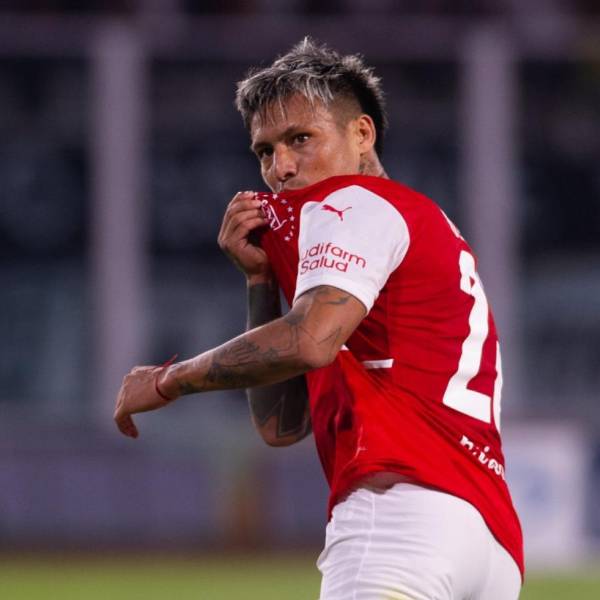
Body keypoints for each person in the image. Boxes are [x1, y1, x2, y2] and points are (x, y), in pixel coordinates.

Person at [114, 38, 524, 599]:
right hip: (488, 542)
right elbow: (281, 426)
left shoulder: (353, 203)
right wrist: (261, 283)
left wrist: (168, 380)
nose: (280, 168)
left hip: (401, 518)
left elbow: (309, 341)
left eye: (300, 139)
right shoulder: (416, 221)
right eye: (264, 151)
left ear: (362, 134)